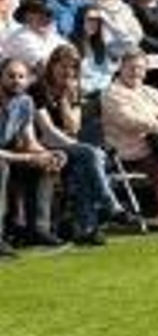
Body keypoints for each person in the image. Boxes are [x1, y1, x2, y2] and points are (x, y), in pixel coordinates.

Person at [31, 44, 126, 244]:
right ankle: (108, 205)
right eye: (63, 66)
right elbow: (47, 132)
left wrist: (66, 99)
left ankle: (86, 229)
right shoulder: (38, 89)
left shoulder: (74, 89)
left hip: (68, 145)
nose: (68, 71)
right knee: (90, 155)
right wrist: (83, 149)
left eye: (73, 67)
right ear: (52, 66)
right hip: (42, 145)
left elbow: (73, 127)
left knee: (85, 164)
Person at [98, 50, 158, 235]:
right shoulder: (112, 93)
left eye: (140, 68)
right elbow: (128, 121)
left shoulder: (150, 92)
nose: (136, 72)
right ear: (121, 68)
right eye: (131, 68)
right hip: (127, 149)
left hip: (157, 145)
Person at [0, 57, 68, 250]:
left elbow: (30, 141)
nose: (16, 80)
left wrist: (49, 154)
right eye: (11, 76)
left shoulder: (25, 102)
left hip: (11, 154)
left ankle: (37, 230)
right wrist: (29, 157)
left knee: (45, 163)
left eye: (21, 77)